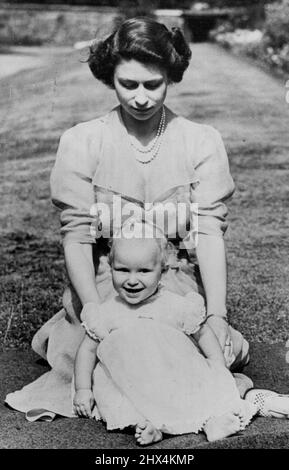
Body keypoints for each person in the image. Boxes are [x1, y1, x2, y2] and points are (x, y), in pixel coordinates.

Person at [5, 17, 289, 425]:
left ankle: (221, 390)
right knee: (102, 358)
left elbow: (209, 234)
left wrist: (218, 315)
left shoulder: (200, 140)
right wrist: (95, 315)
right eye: (128, 84)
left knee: (195, 350)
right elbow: (77, 237)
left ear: (170, 78)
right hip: (107, 285)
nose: (140, 98)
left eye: (152, 84)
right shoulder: (83, 141)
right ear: (110, 79)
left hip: (174, 283)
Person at [73, 219, 258, 445]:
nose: (132, 280)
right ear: (111, 267)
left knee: (199, 392)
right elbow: (87, 351)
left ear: (162, 270)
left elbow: (203, 335)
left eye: (143, 271)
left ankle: (211, 422)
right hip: (126, 382)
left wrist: (218, 368)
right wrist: (83, 389)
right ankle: (146, 426)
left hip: (171, 378)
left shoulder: (175, 305)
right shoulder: (107, 312)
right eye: (122, 270)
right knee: (116, 398)